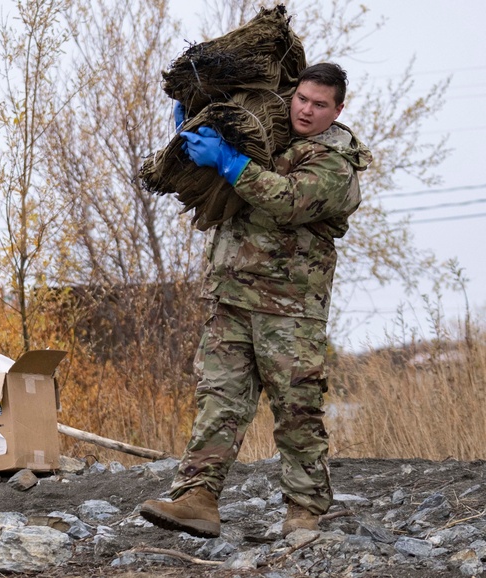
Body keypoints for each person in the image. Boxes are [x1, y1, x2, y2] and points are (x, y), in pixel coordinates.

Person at [139, 63, 372, 538]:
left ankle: (304, 512)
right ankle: (197, 498)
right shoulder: (268, 135)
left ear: (338, 110)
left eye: (319, 104)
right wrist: (195, 127)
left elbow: (287, 200)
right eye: (302, 98)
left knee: (295, 409)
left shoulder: (334, 164)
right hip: (231, 295)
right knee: (218, 400)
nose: (306, 110)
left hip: (288, 309)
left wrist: (230, 162)